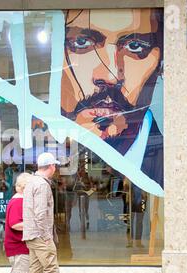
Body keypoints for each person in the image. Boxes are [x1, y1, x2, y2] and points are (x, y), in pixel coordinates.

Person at [61, 8, 163, 188]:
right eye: (82, 42)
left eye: (135, 46)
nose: (111, 76)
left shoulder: (166, 171)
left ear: (160, 65)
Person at [22, 152, 60, 273]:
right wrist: (46, 237)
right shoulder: (42, 185)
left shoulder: (31, 182)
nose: (55, 168)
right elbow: (40, 214)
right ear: (51, 166)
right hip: (39, 236)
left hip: (31, 235)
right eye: (54, 165)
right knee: (51, 270)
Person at [4, 172, 32, 273]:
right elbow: (14, 224)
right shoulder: (18, 202)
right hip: (19, 249)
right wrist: (34, 225)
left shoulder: (18, 200)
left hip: (19, 249)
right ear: (24, 188)